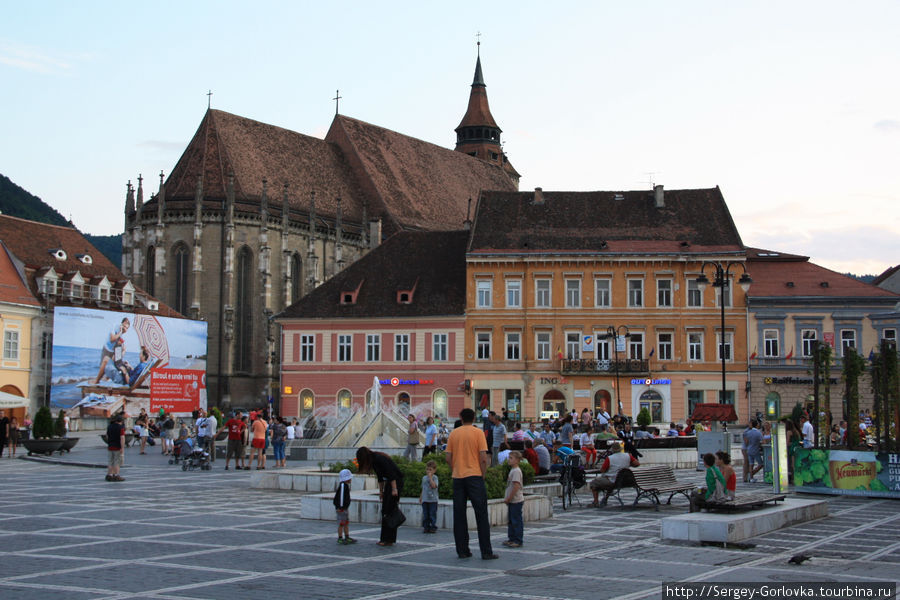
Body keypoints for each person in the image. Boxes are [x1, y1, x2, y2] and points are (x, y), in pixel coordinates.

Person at [445, 408, 497, 560]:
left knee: (459, 515)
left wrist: (454, 468)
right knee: (481, 514)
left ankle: (462, 550)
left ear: (461, 418)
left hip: (458, 477)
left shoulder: (454, 433)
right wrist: (483, 474)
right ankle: (486, 551)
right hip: (474, 476)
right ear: (474, 418)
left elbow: (448, 457)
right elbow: (483, 456)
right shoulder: (478, 433)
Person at [356, 446, 405, 547]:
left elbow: (391, 474)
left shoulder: (379, 458)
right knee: (386, 510)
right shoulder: (374, 460)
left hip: (395, 482)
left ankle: (387, 539)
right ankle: (387, 539)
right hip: (391, 483)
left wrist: (394, 489)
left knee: (389, 510)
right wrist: (381, 492)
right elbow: (380, 477)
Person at [589, 442, 639, 507]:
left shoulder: (610, 458)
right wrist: (629, 464)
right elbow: (637, 464)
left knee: (594, 483)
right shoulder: (628, 456)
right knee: (608, 482)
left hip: (613, 481)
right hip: (625, 481)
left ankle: (596, 502)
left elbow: (602, 470)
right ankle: (605, 499)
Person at [95, 317, 130, 383]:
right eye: (124, 326)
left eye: (127, 328)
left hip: (113, 352)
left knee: (109, 367)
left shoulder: (122, 337)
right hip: (107, 349)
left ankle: (106, 382)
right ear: (121, 324)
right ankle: (97, 381)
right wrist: (120, 332)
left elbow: (118, 353)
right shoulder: (115, 327)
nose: (125, 329)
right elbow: (112, 339)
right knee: (103, 366)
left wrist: (123, 350)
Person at [502, 451, 525, 548]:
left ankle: (518, 540)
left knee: (516, 520)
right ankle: (511, 538)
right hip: (512, 501)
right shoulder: (513, 470)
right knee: (511, 520)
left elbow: (516, 486)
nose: (509, 460)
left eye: (511, 458)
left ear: (517, 460)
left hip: (516, 500)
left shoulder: (516, 471)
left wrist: (509, 498)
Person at [333, 468, 356, 544]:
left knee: (345, 523)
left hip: (344, 508)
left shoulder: (345, 485)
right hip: (342, 508)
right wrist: (341, 507)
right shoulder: (343, 485)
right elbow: (341, 497)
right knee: (341, 523)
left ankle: (347, 536)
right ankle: (340, 538)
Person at [420, 460, 439, 534]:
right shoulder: (424, 478)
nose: (428, 471)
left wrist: (430, 478)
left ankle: (433, 526)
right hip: (425, 499)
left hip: (433, 500)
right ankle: (426, 527)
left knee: (432, 513)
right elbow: (423, 488)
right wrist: (421, 497)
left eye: (430, 470)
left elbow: (434, 486)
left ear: (434, 470)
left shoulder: (435, 478)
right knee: (425, 514)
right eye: (427, 469)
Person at [106, 414, 126, 482]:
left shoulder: (109, 426)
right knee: (117, 462)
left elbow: (107, 436)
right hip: (117, 446)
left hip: (110, 446)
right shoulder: (120, 428)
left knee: (110, 461)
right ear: (121, 421)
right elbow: (122, 438)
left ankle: (109, 475)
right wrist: (122, 447)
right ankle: (116, 475)